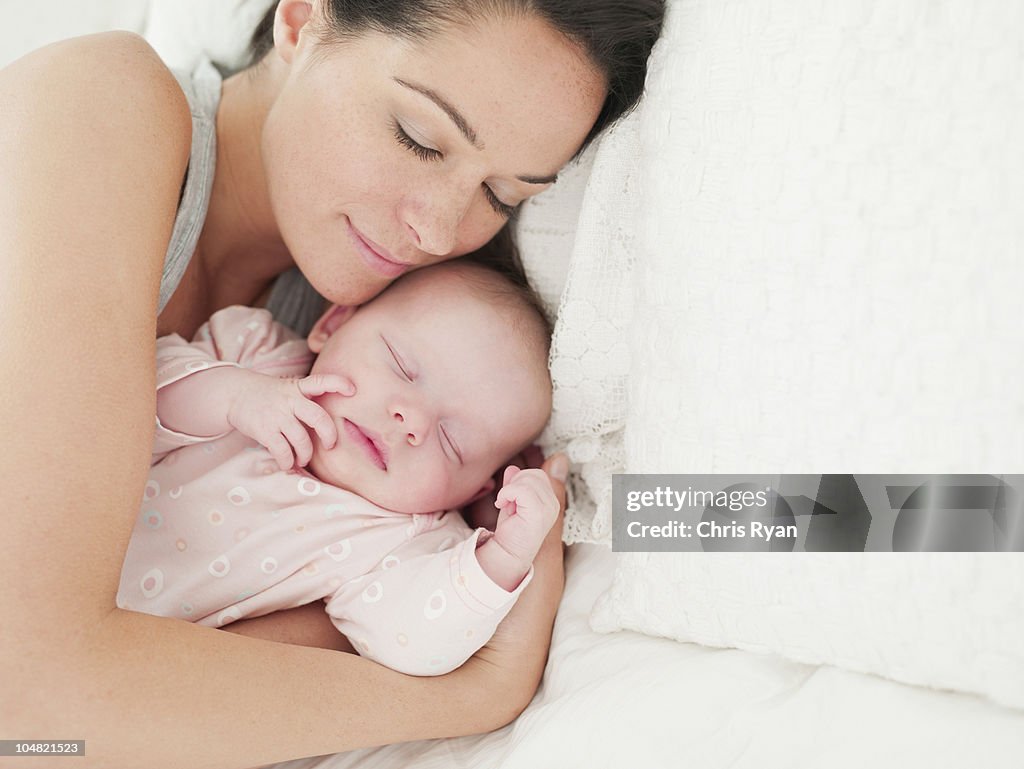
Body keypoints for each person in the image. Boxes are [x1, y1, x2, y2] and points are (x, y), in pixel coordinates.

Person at [0, 0, 664, 765]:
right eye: (419, 138)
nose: (441, 231)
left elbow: (121, 697)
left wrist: (828, 511)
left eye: (500, 196)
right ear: (301, 18)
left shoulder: (378, 363)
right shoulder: (99, 103)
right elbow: (31, 696)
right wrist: (473, 694)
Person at [120, 260, 559, 676]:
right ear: (333, 325)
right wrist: (233, 397)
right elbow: (118, 400)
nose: (411, 420)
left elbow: (412, 642)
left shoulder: (405, 539)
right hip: (65, 559)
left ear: (474, 491)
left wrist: (503, 558)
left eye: (452, 441)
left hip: (129, 681)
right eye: (401, 367)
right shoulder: (255, 358)